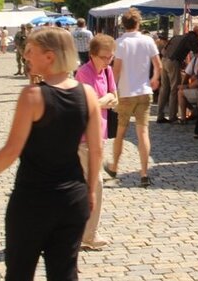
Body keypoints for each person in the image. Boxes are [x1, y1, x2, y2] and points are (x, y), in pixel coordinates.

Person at [0, 27, 101, 280]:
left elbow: (12, 150)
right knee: (65, 272)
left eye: (31, 51)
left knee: (20, 271)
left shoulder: (33, 96)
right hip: (73, 197)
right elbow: (96, 149)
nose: (26, 56)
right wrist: (90, 191)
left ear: (49, 56)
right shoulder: (87, 94)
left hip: (33, 200)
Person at [105, 8, 161, 186]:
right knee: (143, 133)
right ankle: (144, 173)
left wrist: (111, 89)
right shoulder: (148, 40)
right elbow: (158, 65)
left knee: (120, 133)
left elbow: (117, 69)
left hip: (126, 93)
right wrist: (154, 79)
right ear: (139, 23)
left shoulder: (120, 43)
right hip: (144, 92)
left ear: (123, 24)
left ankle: (114, 166)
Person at [72, 32, 117, 251]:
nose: (108, 61)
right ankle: (89, 234)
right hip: (84, 137)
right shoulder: (83, 73)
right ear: (92, 55)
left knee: (86, 184)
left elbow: (114, 98)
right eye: (104, 57)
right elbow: (87, 103)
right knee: (95, 184)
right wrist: (103, 100)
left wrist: (104, 100)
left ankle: (76, 231)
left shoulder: (107, 72)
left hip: (100, 135)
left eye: (110, 57)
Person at [156, 27, 198, 123]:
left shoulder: (176, 37)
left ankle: (160, 116)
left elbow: (163, 50)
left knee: (164, 88)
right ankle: (173, 116)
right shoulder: (191, 38)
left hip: (164, 60)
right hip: (173, 61)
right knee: (175, 89)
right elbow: (197, 53)